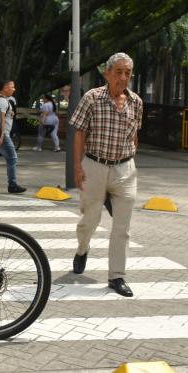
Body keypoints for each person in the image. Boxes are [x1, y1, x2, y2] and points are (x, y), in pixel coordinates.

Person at [70, 52, 142, 297]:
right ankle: (82, 249)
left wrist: (131, 160)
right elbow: (79, 133)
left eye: (128, 73)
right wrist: (78, 167)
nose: (123, 77)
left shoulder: (136, 102)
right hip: (95, 165)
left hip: (124, 169)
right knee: (90, 219)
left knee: (122, 227)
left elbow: (134, 135)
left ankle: (117, 277)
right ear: (108, 73)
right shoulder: (92, 98)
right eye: (119, 72)